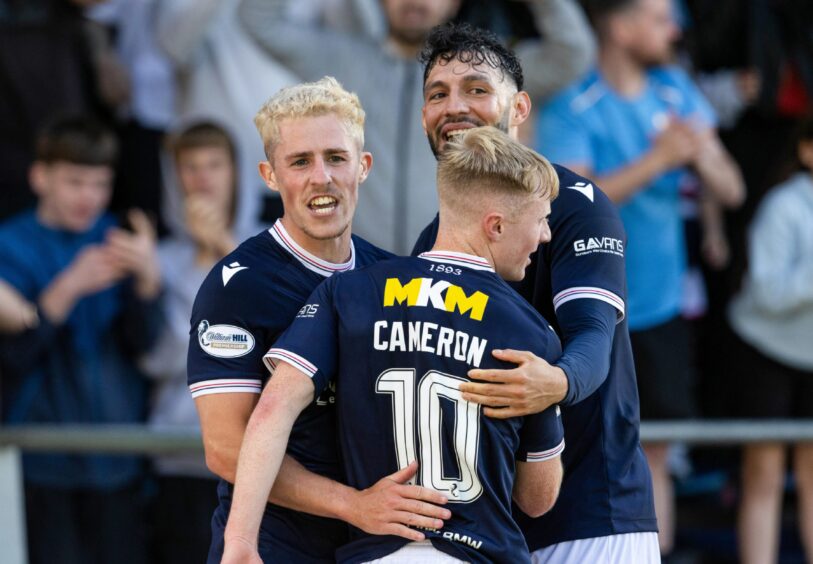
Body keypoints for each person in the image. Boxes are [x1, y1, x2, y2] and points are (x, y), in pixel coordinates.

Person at [224, 126, 564, 564]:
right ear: (495, 226)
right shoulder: (531, 332)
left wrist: (241, 540)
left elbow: (272, 411)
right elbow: (538, 497)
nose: (546, 236)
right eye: (541, 220)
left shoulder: (347, 293)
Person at [412, 23, 659, 562]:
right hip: (481, 532)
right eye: (438, 94)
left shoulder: (576, 203)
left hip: (594, 520)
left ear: (519, 108)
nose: (454, 106)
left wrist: (557, 381)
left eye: (476, 89)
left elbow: (594, 333)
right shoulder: (431, 239)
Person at [188, 77, 451, 564]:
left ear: (363, 166)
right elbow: (225, 448)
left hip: (376, 545)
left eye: (336, 158)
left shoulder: (395, 276)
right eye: (300, 162)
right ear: (270, 175)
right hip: (271, 545)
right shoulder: (237, 285)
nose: (321, 177)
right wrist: (353, 505)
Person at [534, 0, 745, 555]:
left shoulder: (675, 91)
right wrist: (661, 159)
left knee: (655, 452)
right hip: (584, 309)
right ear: (620, 26)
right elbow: (565, 205)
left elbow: (732, 190)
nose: (674, 28)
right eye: (658, 17)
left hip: (661, 305)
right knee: (585, 445)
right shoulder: (573, 103)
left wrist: (702, 154)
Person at [238, 0, 596, 253]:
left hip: (458, 267)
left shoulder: (487, 70)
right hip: (358, 271)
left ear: (455, 3)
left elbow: (572, 52)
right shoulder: (343, 60)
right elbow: (258, 19)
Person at [0, 116, 162, 564]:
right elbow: (11, 362)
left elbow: (146, 348)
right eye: (74, 181)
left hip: (120, 462)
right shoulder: (9, 246)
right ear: (40, 177)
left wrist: (149, 283)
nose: (88, 197)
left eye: (100, 183)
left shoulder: (121, 240)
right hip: (42, 464)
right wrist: (66, 289)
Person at [139, 122, 240, 563]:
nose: (202, 178)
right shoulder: (157, 258)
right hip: (175, 456)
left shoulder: (267, 247)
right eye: (190, 166)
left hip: (250, 464)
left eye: (214, 165)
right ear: (173, 176)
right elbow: (154, 359)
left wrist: (223, 250)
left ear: (237, 173)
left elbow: (273, 347)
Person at [728, 116, 813, 564]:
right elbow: (768, 293)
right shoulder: (785, 206)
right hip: (766, 350)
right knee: (763, 470)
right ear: (806, 152)